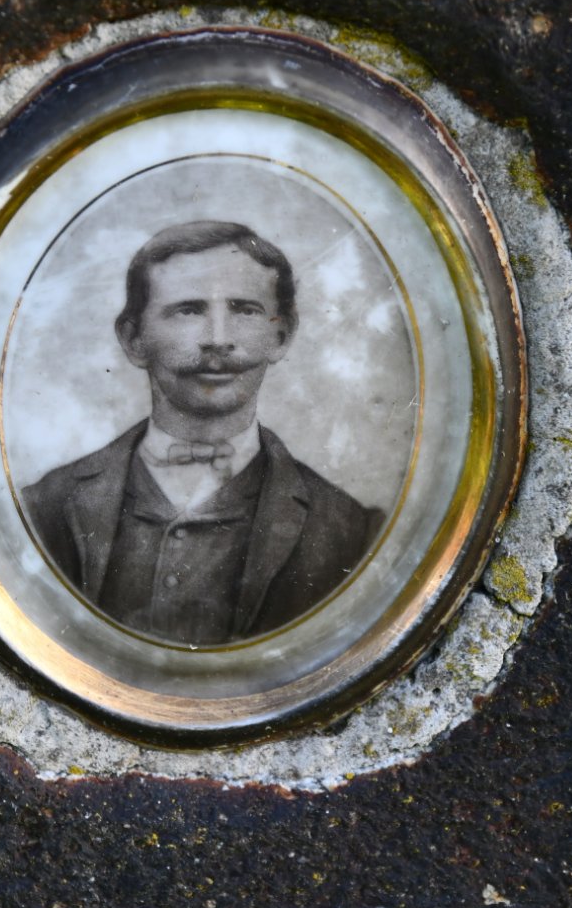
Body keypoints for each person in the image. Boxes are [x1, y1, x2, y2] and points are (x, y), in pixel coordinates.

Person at [20, 220, 384, 644]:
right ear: (133, 339)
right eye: (189, 310)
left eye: (244, 310)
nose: (218, 339)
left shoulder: (350, 531)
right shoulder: (43, 508)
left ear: (281, 336)